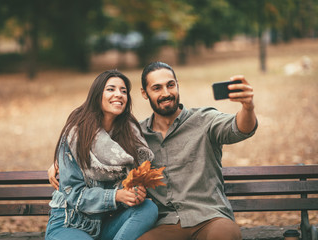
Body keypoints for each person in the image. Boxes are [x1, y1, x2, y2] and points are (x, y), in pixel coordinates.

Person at [49, 62, 258, 240]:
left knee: (225, 235)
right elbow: (91, 146)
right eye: (157, 88)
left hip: (208, 216)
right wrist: (58, 163)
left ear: (177, 86)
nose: (166, 93)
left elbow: (239, 129)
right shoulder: (134, 136)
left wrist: (247, 108)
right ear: (144, 93)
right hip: (165, 222)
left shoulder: (204, 120)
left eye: (170, 85)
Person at [45, 69, 158, 240]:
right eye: (111, 89)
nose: (118, 94)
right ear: (97, 95)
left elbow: (134, 179)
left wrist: (135, 193)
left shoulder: (130, 134)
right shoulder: (76, 133)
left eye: (124, 91)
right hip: (69, 223)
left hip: (104, 226)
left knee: (148, 208)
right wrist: (116, 196)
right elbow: (74, 193)